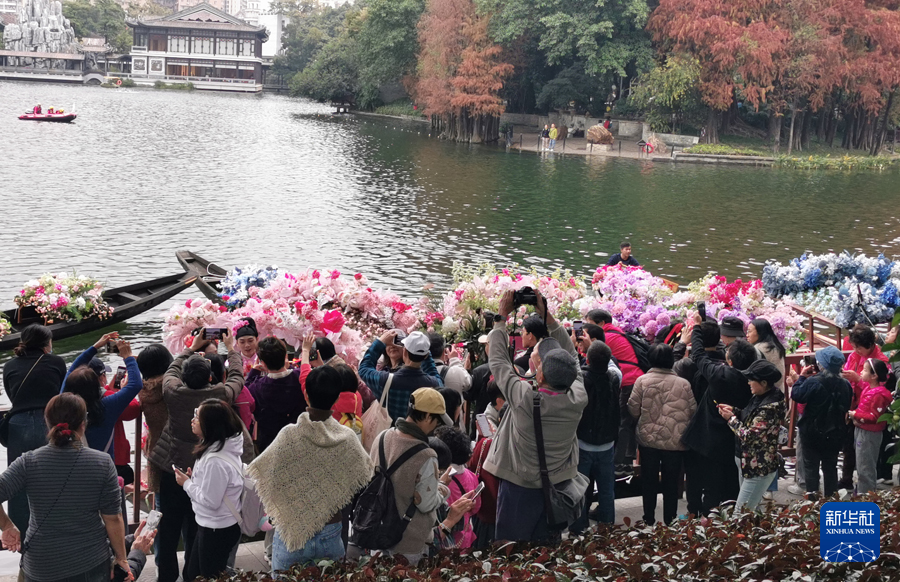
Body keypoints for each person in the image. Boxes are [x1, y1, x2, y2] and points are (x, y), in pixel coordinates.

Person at [485, 289, 587, 542]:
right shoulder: (578, 397)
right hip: (558, 486)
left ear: (539, 376)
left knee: (510, 551)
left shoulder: (524, 397)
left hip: (519, 485)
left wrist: (500, 318)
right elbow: (573, 358)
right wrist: (547, 317)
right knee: (545, 553)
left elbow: (497, 362)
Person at [149, 329, 250, 582]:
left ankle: (167, 577)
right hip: (202, 472)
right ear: (211, 377)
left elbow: (171, 370)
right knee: (196, 528)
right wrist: (231, 348)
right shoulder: (220, 395)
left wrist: (191, 347)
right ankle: (191, 575)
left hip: (173, 468)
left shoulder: (172, 391)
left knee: (168, 529)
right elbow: (237, 376)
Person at [250, 365, 372, 571]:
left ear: (305, 395)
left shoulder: (289, 435)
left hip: (290, 528)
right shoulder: (348, 438)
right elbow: (364, 475)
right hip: (331, 530)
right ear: (336, 399)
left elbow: (264, 475)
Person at [0, 393, 129, 582]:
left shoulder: (28, 462)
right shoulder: (102, 463)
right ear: (83, 424)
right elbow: (113, 518)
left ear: (47, 422)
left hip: (40, 566)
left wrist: (7, 525)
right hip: (90, 563)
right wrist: (121, 559)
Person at [350, 387, 454, 565]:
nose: (437, 426)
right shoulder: (426, 455)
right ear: (428, 416)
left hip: (376, 530)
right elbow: (426, 503)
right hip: (407, 542)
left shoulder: (382, 437)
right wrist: (443, 488)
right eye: (436, 420)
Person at [682, 312, 757, 515]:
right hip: (731, 440)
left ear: (730, 361)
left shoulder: (719, 374)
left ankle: (697, 515)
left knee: (697, 480)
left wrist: (696, 328)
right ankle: (721, 516)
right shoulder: (753, 381)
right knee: (724, 483)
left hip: (703, 436)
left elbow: (697, 354)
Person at [1, 324, 67, 534]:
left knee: (17, 483)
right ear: (46, 344)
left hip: (17, 425)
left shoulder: (10, 365)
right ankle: (52, 534)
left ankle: (20, 536)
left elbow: (13, 397)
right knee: (52, 480)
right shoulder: (56, 362)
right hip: (45, 423)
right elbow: (60, 394)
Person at [173, 399, 244, 581]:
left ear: (210, 425)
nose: (193, 420)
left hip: (216, 529)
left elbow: (212, 501)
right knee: (194, 572)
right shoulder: (222, 446)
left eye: (197, 416)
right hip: (212, 525)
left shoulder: (215, 460)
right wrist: (194, 479)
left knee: (207, 576)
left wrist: (187, 484)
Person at [628, 344, 696, 525]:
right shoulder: (684, 383)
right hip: (675, 441)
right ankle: (670, 519)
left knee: (648, 481)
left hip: (648, 440)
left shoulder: (642, 381)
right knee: (671, 483)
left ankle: (648, 518)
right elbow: (692, 411)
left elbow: (633, 408)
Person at [61, 333, 143, 459]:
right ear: (97, 385)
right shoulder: (107, 405)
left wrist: (94, 347)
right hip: (100, 469)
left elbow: (72, 370)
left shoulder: (63, 402)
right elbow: (135, 385)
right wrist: (128, 357)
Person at [718, 360, 785, 512]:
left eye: (751, 380)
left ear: (763, 382)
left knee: (740, 514)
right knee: (752, 511)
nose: (748, 383)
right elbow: (751, 418)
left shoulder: (770, 407)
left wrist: (731, 419)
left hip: (758, 467)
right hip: (747, 462)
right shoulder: (760, 396)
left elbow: (750, 436)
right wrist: (734, 411)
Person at [673, 319, 723, 516]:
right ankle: (710, 512)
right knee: (714, 472)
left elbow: (670, 366)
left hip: (692, 426)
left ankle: (693, 512)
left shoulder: (688, 365)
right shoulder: (725, 363)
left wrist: (681, 345)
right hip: (717, 426)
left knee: (693, 474)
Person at [570, 340, 620, 533]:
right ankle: (606, 528)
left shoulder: (582, 380)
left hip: (583, 443)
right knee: (607, 491)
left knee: (580, 490)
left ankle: (578, 529)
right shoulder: (613, 379)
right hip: (606, 445)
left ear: (588, 360)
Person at [790, 346, 853, 498]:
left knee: (811, 466)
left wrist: (801, 378)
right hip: (835, 432)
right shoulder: (846, 385)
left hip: (812, 431)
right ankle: (831, 498)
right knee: (830, 466)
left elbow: (797, 395)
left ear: (821, 365)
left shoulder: (813, 382)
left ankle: (813, 500)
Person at [585, 309, 642, 470]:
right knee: (628, 421)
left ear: (601, 323)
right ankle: (626, 459)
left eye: (588, 323)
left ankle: (619, 462)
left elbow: (592, 358)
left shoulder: (607, 337)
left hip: (628, 380)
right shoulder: (617, 333)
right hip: (632, 379)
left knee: (623, 421)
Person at [839, 324, 889, 489]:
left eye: (859, 347)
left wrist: (858, 380)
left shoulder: (879, 362)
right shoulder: (854, 356)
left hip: (867, 412)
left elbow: (881, 388)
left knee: (866, 455)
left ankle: (866, 490)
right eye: (854, 347)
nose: (856, 350)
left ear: (869, 345)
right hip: (854, 405)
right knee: (849, 445)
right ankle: (848, 480)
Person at [359, 330, 443, 421]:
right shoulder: (433, 384)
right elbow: (434, 373)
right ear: (426, 356)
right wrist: (423, 349)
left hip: (393, 431)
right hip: (419, 433)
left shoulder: (386, 380)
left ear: (405, 352)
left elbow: (364, 369)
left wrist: (380, 342)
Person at [247, 336, 305, 453]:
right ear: (285, 356)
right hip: (300, 440)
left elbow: (245, 392)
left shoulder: (256, 387)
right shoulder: (300, 378)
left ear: (262, 363)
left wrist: (253, 372)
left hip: (269, 445)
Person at [848, 358, 894, 494]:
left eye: (865, 370)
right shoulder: (869, 388)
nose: (861, 372)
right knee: (862, 463)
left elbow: (875, 417)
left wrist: (855, 415)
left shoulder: (878, 394)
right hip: (862, 430)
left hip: (869, 433)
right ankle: (864, 491)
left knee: (865, 465)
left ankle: (865, 495)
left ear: (874, 376)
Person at [433, 426, 481, 549]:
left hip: (445, 539)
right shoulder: (471, 476)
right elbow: (476, 508)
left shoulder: (442, 481)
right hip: (466, 537)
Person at [136, 344, 173, 494]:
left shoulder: (142, 391)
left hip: (155, 451)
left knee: (160, 497)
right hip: (177, 451)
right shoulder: (173, 388)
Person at [427, 332, 472, 397]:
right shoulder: (455, 372)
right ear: (444, 351)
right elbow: (468, 383)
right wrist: (454, 360)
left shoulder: (418, 373)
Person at [747, 318, 786, 389]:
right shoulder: (776, 346)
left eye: (749, 331)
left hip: (765, 391)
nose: (747, 335)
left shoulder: (758, 348)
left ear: (760, 332)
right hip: (779, 390)